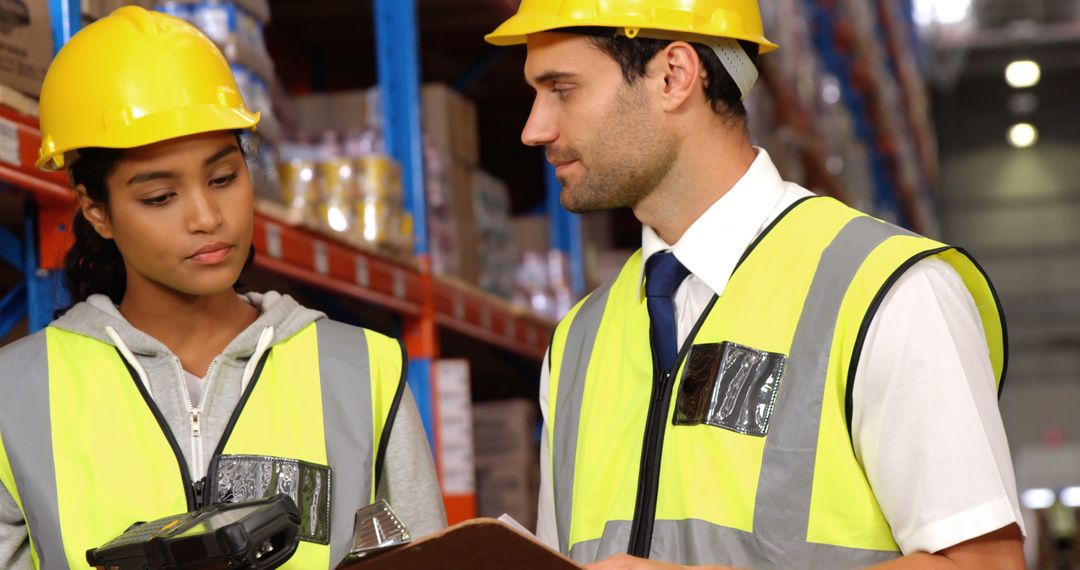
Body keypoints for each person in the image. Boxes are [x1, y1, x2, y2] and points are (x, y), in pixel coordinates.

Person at [485, 1, 1025, 568]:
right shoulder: (577, 344)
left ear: (674, 76)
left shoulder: (887, 293)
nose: (533, 128)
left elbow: (986, 565)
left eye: (561, 89)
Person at [0, 7, 444, 568]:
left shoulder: (364, 371)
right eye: (160, 197)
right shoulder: (15, 395)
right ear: (96, 211)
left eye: (223, 178)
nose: (207, 216)